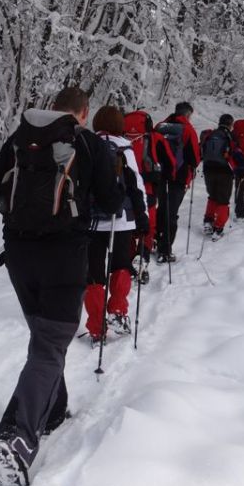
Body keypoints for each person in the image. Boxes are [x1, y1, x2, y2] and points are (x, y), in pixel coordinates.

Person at [0, 86, 124, 486]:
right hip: (64, 258)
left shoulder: (20, 140)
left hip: (19, 256)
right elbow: (111, 201)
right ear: (83, 112)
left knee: (45, 338)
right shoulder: (87, 144)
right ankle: (18, 437)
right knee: (50, 344)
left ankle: (52, 409)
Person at [84, 106, 149, 341]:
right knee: (120, 264)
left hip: (89, 222)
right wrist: (143, 218)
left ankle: (96, 327)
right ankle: (118, 311)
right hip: (121, 220)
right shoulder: (125, 148)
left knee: (93, 274)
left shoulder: (86, 145)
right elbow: (135, 186)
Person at [123, 109, 176, 283]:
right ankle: (142, 258)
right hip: (148, 189)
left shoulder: (121, 137)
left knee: (129, 226)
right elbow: (170, 162)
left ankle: (129, 261)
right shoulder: (154, 138)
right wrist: (168, 177)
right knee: (148, 226)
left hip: (124, 190)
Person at [154, 101, 201, 263]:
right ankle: (165, 250)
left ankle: (155, 240)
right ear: (188, 114)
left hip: (160, 175)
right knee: (171, 212)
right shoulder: (188, 130)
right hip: (178, 177)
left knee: (161, 208)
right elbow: (195, 158)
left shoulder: (160, 126)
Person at [200, 114, 236, 240]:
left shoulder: (210, 134)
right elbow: (235, 154)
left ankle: (208, 222)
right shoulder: (230, 136)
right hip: (224, 171)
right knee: (223, 200)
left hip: (208, 169)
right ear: (230, 124)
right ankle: (218, 228)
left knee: (213, 197)